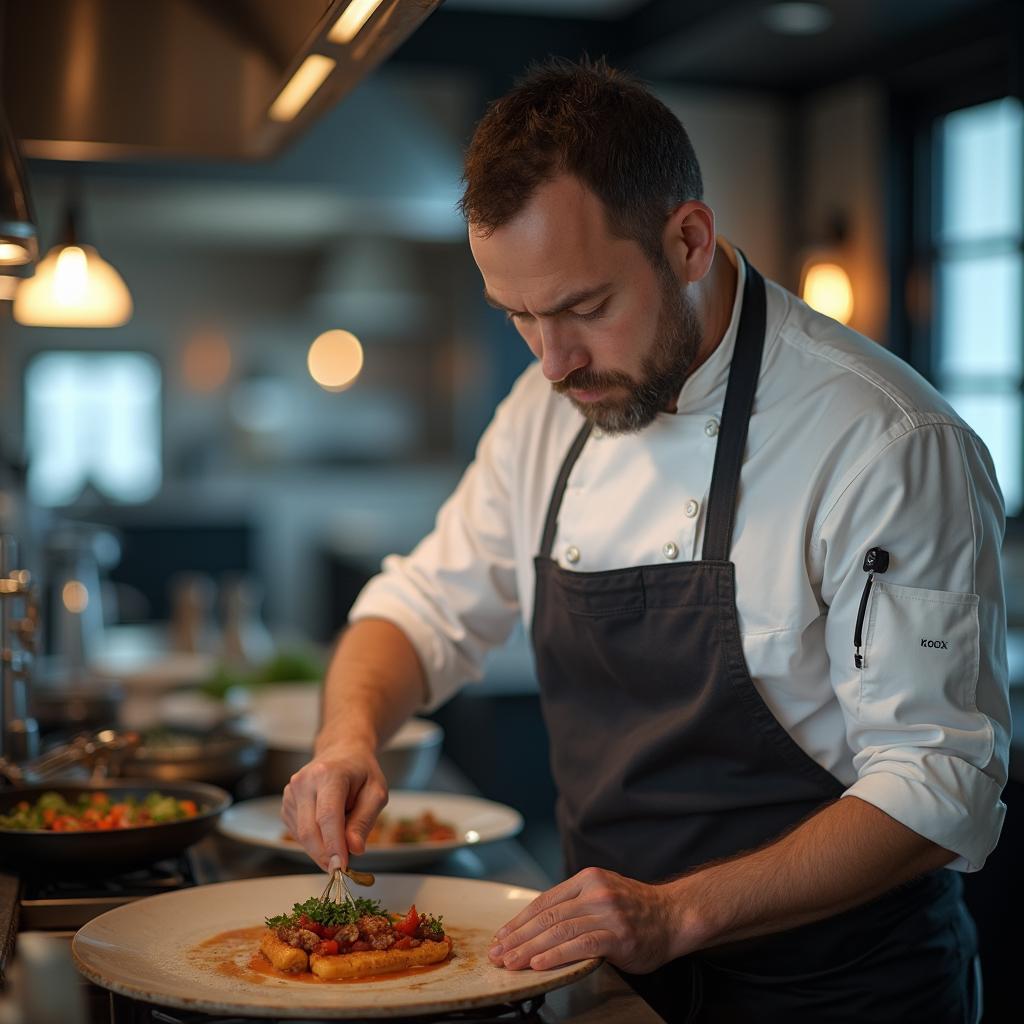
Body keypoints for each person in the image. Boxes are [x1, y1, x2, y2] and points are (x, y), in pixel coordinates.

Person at [282, 57, 1009, 1022]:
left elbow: (939, 784)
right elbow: (423, 608)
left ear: (690, 239)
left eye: (585, 309)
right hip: (618, 977)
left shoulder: (885, 442)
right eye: (519, 316)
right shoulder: (546, 412)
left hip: (841, 989)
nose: (553, 361)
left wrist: (677, 913)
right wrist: (347, 737)